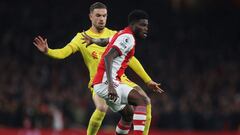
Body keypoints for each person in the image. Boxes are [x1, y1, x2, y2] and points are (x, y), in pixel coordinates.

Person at [33, 2, 159, 135]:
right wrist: (48, 51)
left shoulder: (115, 34)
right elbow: (64, 52)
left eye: (104, 16)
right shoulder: (81, 38)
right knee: (101, 108)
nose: (101, 19)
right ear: (90, 17)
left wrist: (148, 80)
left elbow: (131, 60)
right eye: (98, 15)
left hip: (120, 79)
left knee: (143, 105)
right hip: (99, 81)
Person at [92, 10, 164, 135]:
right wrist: (110, 86)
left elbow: (107, 40)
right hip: (107, 83)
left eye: (146, 25)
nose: (146, 28)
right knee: (141, 101)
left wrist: (93, 41)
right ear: (133, 24)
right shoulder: (128, 37)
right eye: (142, 25)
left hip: (102, 83)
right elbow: (108, 57)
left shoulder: (121, 33)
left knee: (128, 115)